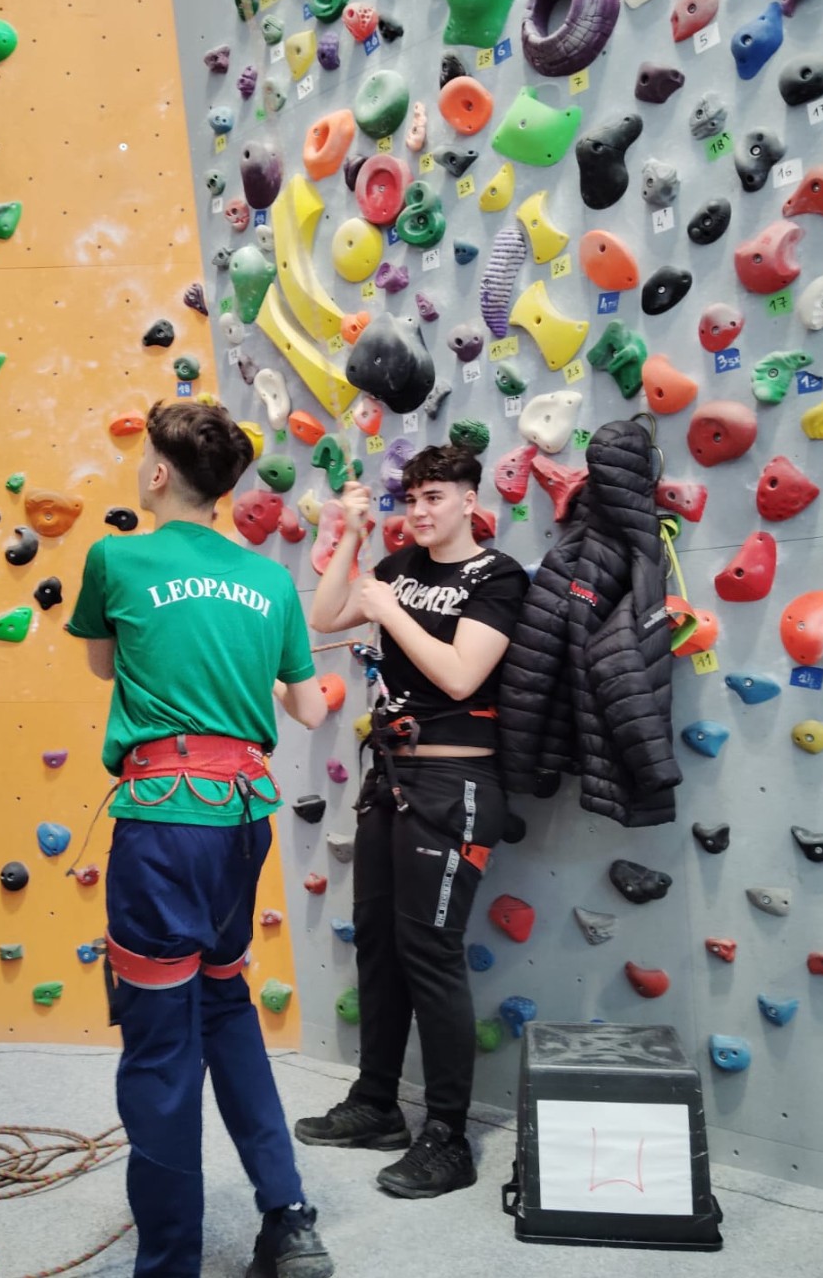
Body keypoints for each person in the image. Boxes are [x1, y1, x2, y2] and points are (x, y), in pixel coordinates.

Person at [66, 399, 335, 1278]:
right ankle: (288, 1215)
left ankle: (171, 1261)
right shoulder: (269, 582)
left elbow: (105, 663)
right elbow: (306, 704)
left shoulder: (115, 558)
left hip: (163, 826)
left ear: (156, 473)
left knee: (159, 1042)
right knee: (225, 1006)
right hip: (242, 823)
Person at [295, 445, 529, 1200]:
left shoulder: (496, 576)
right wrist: (351, 535)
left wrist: (388, 607)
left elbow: (461, 675)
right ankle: (376, 1104)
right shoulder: (396, 566)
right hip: (390, 778)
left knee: (430, 950)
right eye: (412, 499)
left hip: (457, 781)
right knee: (379, 946)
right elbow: (324, 615)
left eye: (435, 497)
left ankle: (448, 1137)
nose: (421, 511)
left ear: (469, 501)